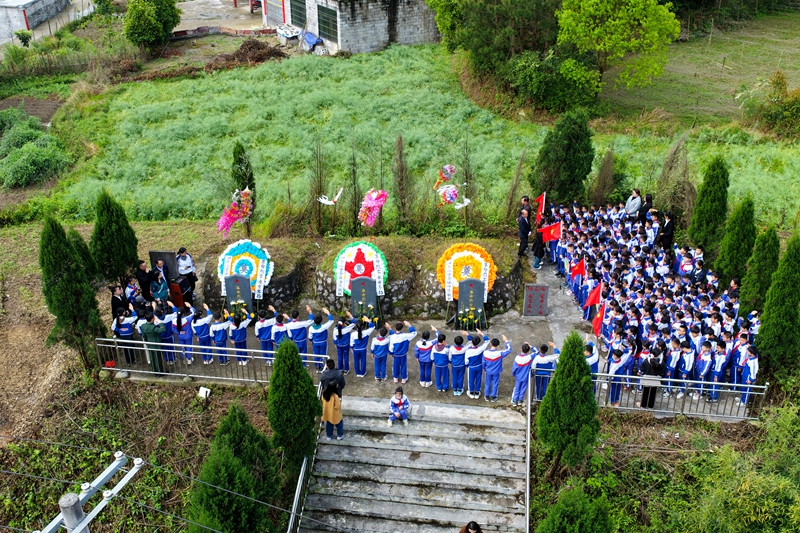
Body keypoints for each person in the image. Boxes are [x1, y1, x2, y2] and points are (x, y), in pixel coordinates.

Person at [483, 335, 512, 402]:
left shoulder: (485, 353)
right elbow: (509, 350)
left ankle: (486, 396)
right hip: (496, 371)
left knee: (487, 383)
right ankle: (494, 396)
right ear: (498, 345)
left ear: (490, 344)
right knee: (495, 383)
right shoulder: (499, 353)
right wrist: (506, 340)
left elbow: (483, 362)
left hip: (488, 371)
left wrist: (484, 368)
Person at [465, 329, 490, 399]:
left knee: (471, 379)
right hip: (479, 366)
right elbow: (487, 341)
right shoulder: (481, 349)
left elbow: (466, 361)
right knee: (479, 379)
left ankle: (471, 392)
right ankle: (477, 392)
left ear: (471, 342)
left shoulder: (468, 351)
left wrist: (467, 366)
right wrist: (481, 333)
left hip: (471, 367)